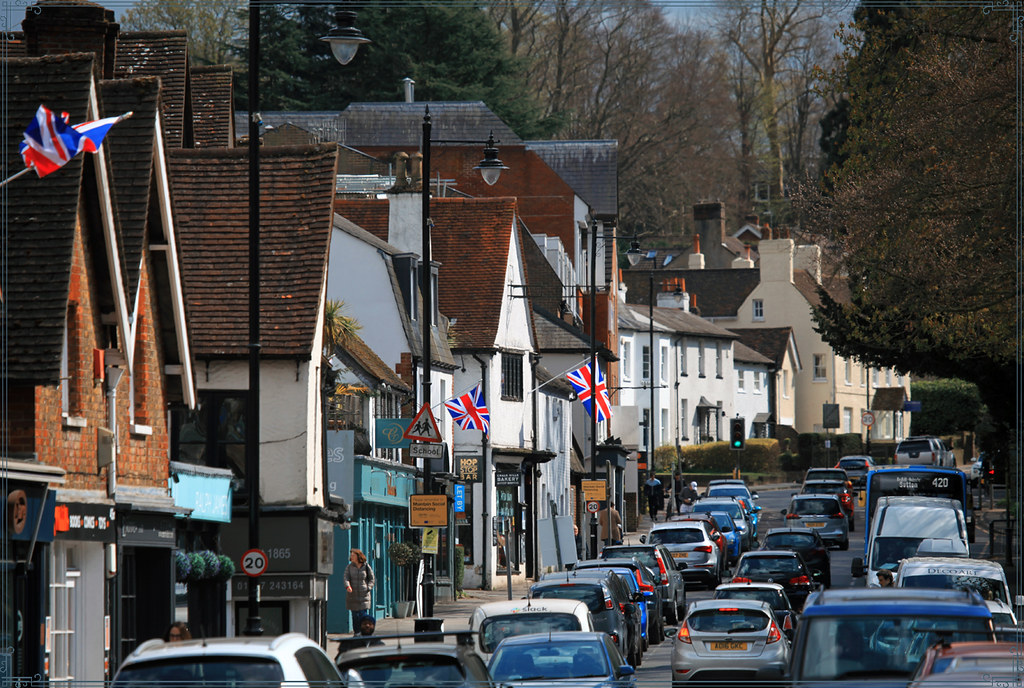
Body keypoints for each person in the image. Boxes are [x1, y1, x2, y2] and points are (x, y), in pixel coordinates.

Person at [344, 548, 375, 631]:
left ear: (358, 556)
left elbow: (372, 579)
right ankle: (357, 633)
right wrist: (348, 586)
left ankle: (364, 632)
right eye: (351, 555)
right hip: (352, 596)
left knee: (363, 615)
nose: (351, 557)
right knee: (355, 616)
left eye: (353, 555)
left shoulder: (366, 566)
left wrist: (368, 587)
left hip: (364, 596)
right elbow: (346, 578)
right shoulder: (349, 567)